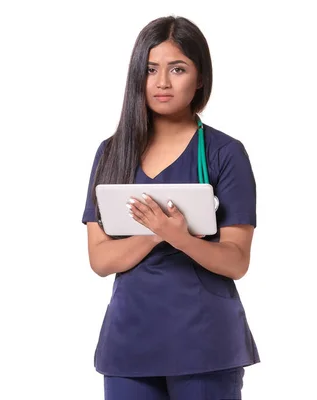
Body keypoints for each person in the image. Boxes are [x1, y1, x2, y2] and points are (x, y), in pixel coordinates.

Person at [81, 15, 260, 400]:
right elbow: (100, 259)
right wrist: (156, 232)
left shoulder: (224, 154)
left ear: (199, 78)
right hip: (129, 345)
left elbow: (236, 262)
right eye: (150, 70)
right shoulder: (112, 153)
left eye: (177, 69)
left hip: (205, 344)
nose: (162, 82)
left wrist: (180, 238)